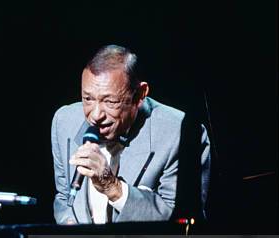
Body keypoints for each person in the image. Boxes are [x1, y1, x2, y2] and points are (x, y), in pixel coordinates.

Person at [52, 45, 211, 225]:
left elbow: (180, 221)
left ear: (140, 95)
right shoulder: (64, 121)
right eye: (88, 99)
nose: (95, 115)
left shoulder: (180, 133)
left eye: (110, 101)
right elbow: (65, 197)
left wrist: (112, 186)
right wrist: (70, 231)